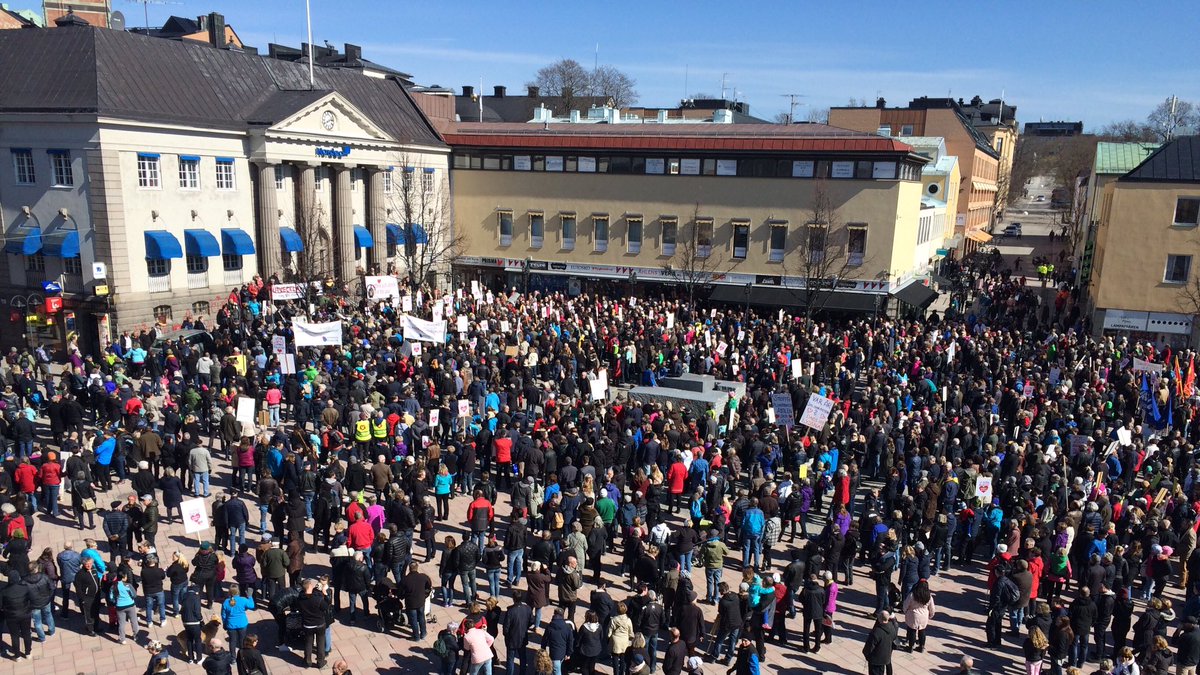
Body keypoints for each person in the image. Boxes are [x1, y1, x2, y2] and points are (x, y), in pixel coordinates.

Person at [298, 578, 330, 669]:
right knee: (320, 642)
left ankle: (307, 661)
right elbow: (326, 606)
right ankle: (320, 662)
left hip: (307, 624)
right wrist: (324, 593)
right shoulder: (317, 598)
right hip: (319, 623)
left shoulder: (300, 598)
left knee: (308, 642)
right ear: (309, 586)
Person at [1, 570, 33, 660]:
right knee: (26, 633)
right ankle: (28, 653)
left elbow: (1, 605)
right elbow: (31, 599)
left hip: (11, 617)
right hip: (25, 614)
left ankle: (17, 655)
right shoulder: (25, 588)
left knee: (14, 636)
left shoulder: (4, 591)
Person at [220, 583, 255, 661]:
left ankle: (233, 658)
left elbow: (223, 615)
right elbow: (252, 606)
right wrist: (250, 596)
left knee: (232, 641)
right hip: (242, 624)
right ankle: (243, 657)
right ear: (238, 591)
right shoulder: (243, 600)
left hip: (231, 625)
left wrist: (224, 623)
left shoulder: (226, 602)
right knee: (242, 641)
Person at [901, 578, 935, 652]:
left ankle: (911, 647)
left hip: (913, 615)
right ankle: (921, 646)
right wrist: (931, 615)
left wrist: (905, 611)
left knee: (912, 631)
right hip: (923, 616)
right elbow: (932, 608)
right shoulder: (929, 596)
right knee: (922, 631)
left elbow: (906, 604)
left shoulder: (912, 594)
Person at [862, 610, 898, 675]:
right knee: (881, 672)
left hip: (875, 659)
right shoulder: (892, 627)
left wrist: (866, 655)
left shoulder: (876, 632)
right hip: (885, 656)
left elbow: (869, 647)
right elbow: (894, 638)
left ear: (879, 618)